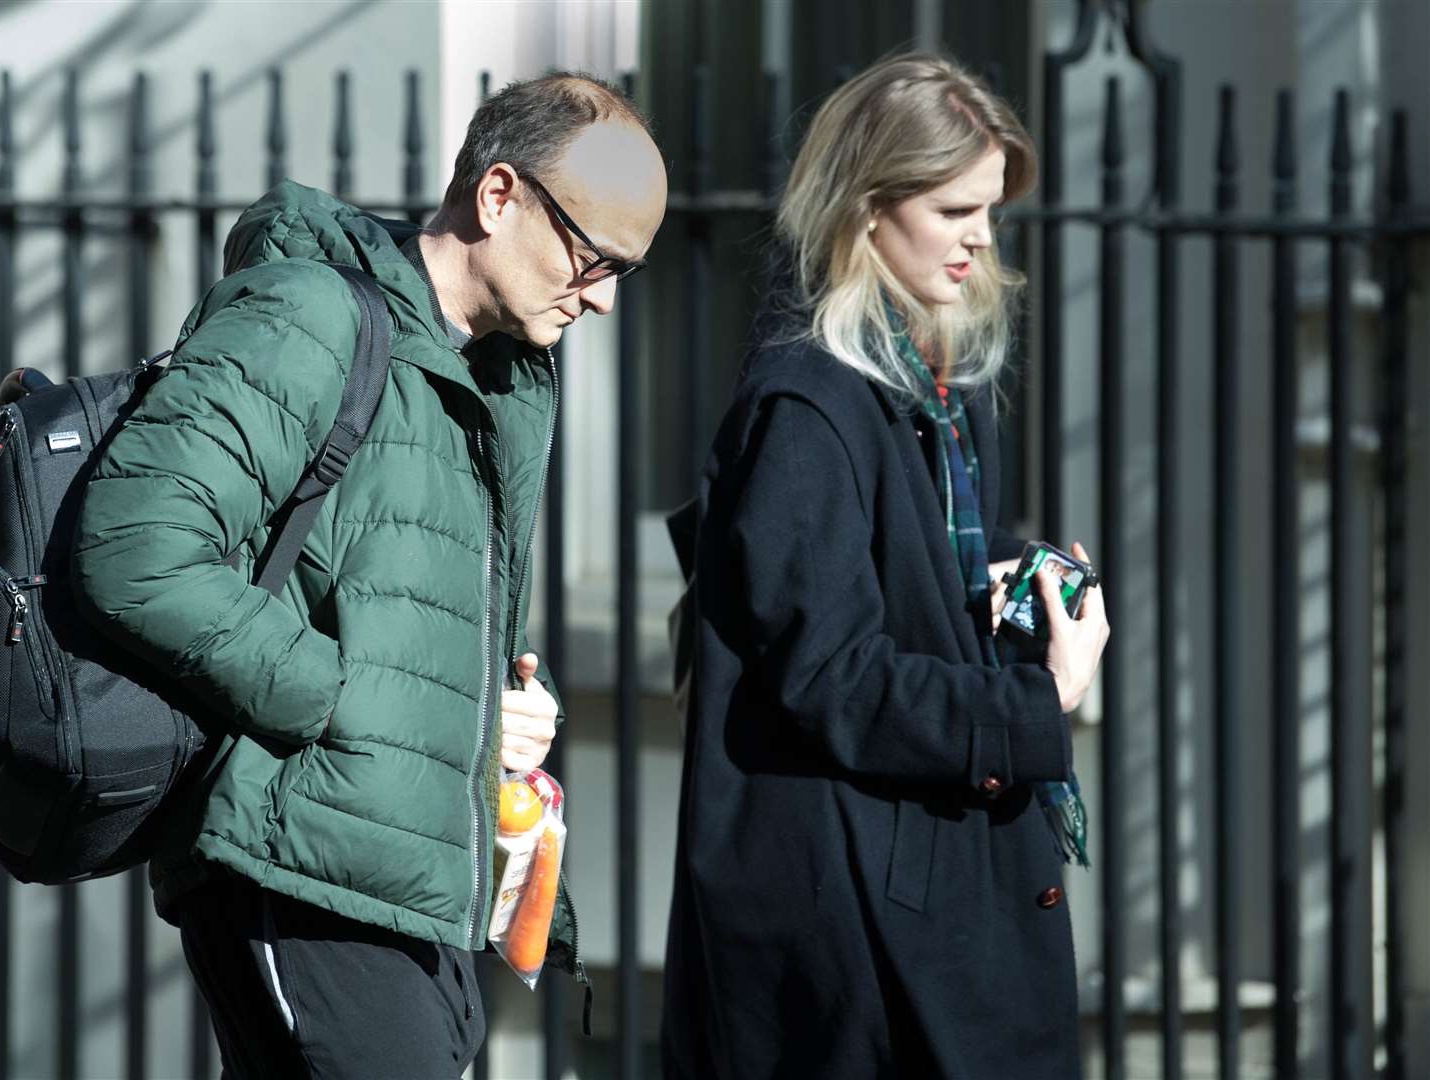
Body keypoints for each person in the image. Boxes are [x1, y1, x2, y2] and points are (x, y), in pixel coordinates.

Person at [71, 73, 667, 1078]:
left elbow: (399, 615)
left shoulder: (496, 375)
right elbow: (133, 548)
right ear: (498, 196)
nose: (603, 298)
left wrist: (486, 714)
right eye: (593, 258)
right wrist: (352, 702)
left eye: (625, 274)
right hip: (300, 867)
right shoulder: (310, 316)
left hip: (416, 885)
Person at [660, 52, 1109, 1079]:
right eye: (955, 209)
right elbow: (832, 676)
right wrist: (1042, 700)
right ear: (866, 209)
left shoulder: (933, 382)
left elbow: (912, 588)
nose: (983, 237)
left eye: (988, 208)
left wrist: (1014, 588)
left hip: (923, 892)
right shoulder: (808, 406)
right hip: (855, 929)